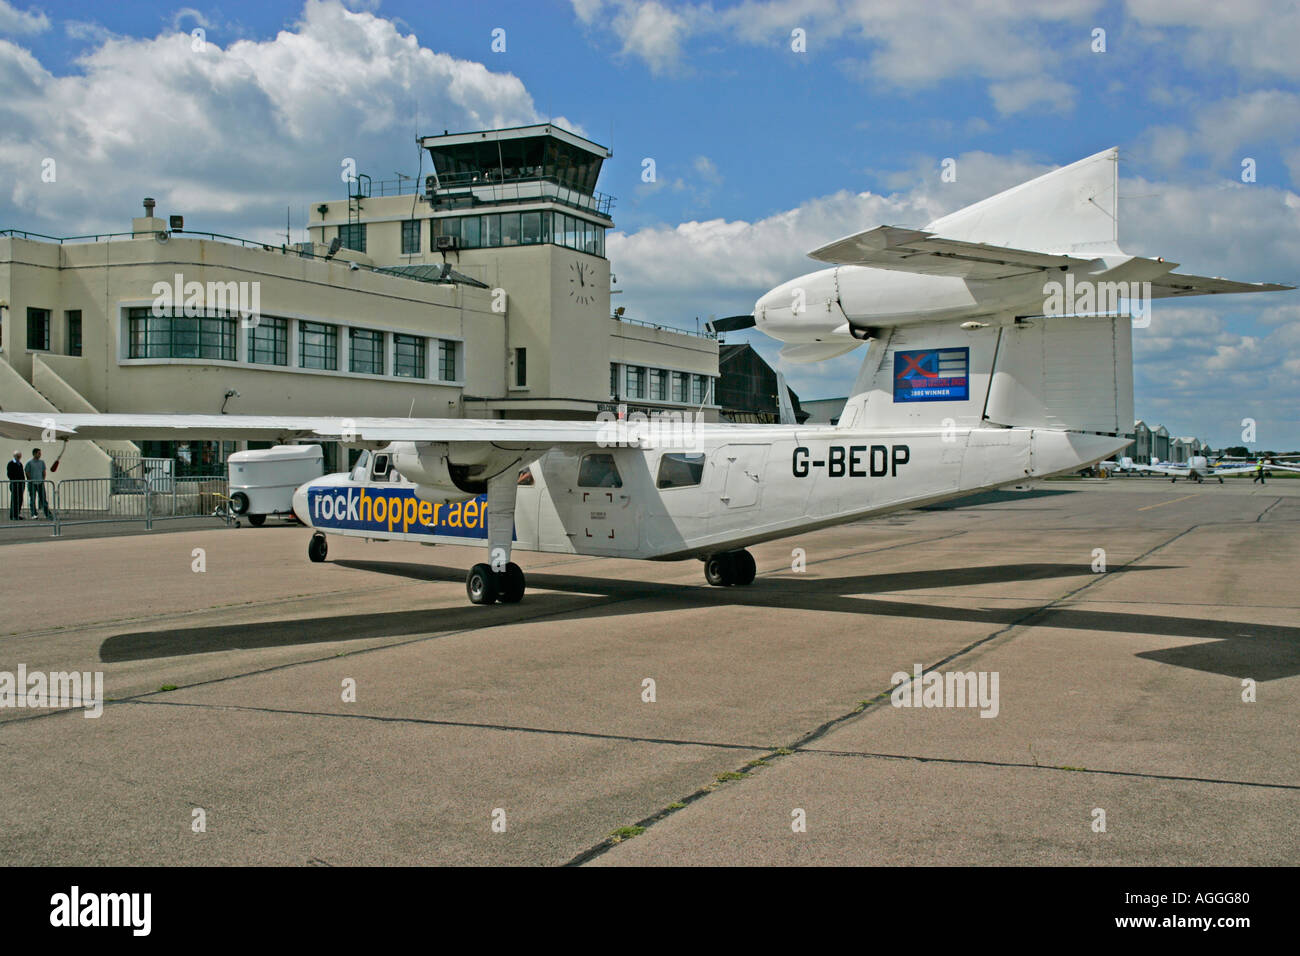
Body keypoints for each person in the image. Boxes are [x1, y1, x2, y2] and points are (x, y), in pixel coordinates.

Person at [25, 447, 52, 519]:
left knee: (43, 498)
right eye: (38, 453)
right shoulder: (29, 463)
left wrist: (43, 479)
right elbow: (27, 472)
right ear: (34, 454)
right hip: (32, 483)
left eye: (40, 453)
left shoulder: (42, 462)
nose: (40, 454)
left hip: (40, 483)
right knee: (32, 499)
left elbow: (44, 471)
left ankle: (47, 514)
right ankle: (34, 514)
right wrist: (30, 480)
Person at [7, 451, 24, 520]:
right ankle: (13, 515)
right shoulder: (11, 463)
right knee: (14, 500)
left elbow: (22, 473)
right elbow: (9, 474)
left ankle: (17, 514)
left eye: (20, 456)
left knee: (20, 499)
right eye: (18, 456)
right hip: (14, 484)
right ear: (14, 456)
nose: (19, 457)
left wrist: (23, 482)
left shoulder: (20, 464)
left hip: (20, 484)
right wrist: (15, 480)